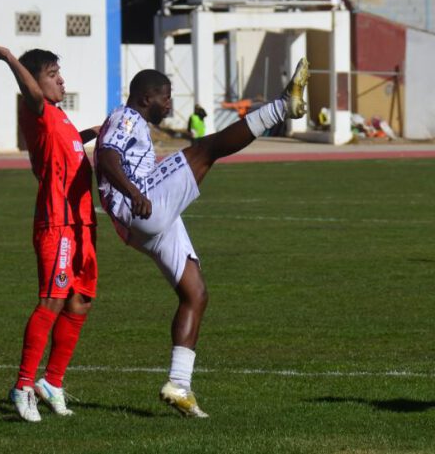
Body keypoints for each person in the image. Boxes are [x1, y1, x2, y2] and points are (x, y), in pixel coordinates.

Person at [95, 58, 309, 418]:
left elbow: (109, 147)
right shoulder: (126, 117)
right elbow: (107, 156)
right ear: (147, 97)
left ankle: (179, 384)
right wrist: (134, 192)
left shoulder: (129, 121)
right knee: (206, 149)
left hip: (144, 220)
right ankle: (282, 107)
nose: (170, 104)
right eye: (166, 97)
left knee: (196, 294)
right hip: (140, 204)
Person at [0, 38, 100, 423]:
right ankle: (23, 385)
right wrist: (10, 58)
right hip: (57, 224)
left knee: (80, 301)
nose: (61, 81)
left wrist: (94, 131)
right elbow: (29, 90)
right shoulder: (38, 109)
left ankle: (52, 382)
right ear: (35, 82)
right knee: (51, 301)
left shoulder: (60, 118)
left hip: (82, 224)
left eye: (59, 73)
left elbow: (67, 149)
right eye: (52, 75)